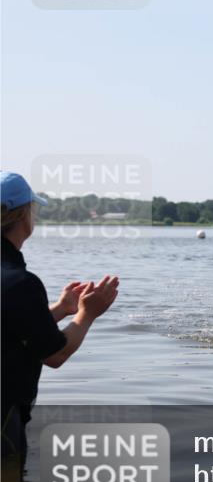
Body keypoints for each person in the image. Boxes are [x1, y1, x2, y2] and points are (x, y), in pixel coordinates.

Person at [1, 171, 119, 461]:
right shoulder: (19, 282)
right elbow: (54, 354)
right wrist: (86, 315)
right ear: (22, 215)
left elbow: (10, 327)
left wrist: (60, 308)